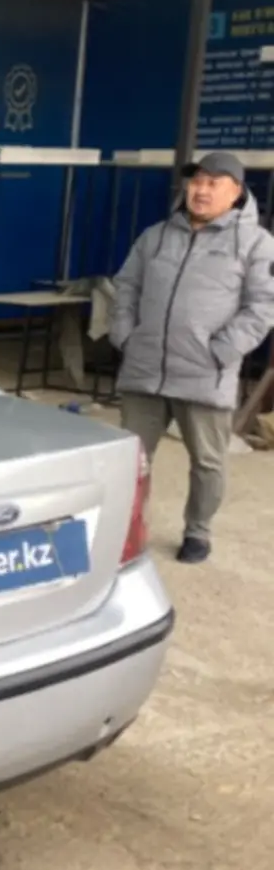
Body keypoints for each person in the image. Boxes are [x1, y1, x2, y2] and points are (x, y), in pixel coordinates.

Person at [109, 149, 274, 564]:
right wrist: (126, 336)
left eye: (213, 183)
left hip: (205, 374)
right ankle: (125, 527)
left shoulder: (256, 244)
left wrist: (221, 351)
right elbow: (126, 286)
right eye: (196, 181)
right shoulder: (156, 236)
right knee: (131, 458)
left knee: (207, 462)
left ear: (236, 192)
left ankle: (197, 531)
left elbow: (263, 307)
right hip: (145, 368)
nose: (201, 190)